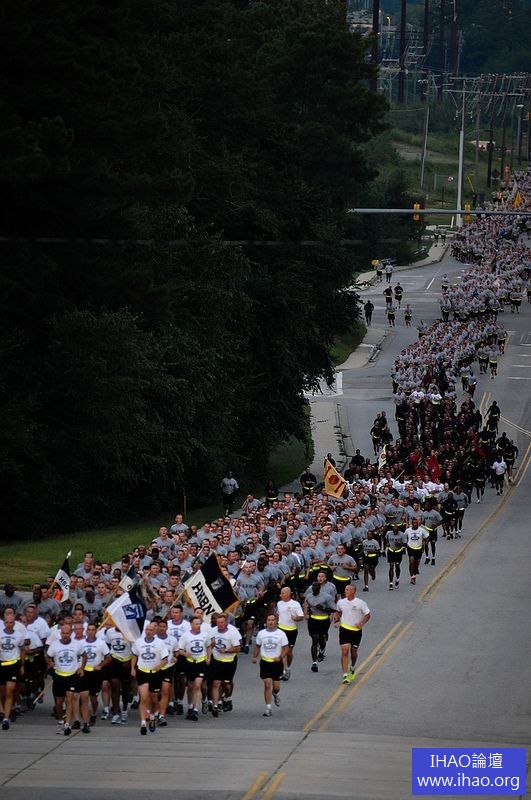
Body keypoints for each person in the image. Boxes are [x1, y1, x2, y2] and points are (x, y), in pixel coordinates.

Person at [46, 622, 87, 735]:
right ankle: (61, 721)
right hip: (59, 675)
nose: (65, 635)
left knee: (69, 699)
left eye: (67, 633)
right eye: (63, 633)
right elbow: (48, 656)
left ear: (71, 633)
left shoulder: (77, 645)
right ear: (60, 633)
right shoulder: (55, 645)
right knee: (59, 703)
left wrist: (81, 668)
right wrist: (50, 663)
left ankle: (67, 724)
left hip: (71, 675)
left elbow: (84, 655)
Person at [131, 621, 169, 735]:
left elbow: (165, 659)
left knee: (154, 698)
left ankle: (152, 716)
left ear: (155, 631)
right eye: (147, 630)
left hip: (155, 674)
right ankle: (143, 723)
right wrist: (132, 668)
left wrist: (159, 667)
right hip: (143, 672)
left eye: (151, 630)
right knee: (143, 697)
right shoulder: (138, 642)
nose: (149, 632)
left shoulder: (160, 643)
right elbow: (134, 655)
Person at [252, 614, 289, 717]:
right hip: (265, 662)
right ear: (266, 621)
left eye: (272, 620)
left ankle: (275, 693)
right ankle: (268, 708)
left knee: (276, 687)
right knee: (267, 684)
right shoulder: (261, 633)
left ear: (276, 621)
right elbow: (257, 646)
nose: (270, 622)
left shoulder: (281, 634)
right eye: (269, 620)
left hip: (277, 663)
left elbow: (286, 648)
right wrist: (254, 657)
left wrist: (280, 657)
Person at [334, 584, 370, 684]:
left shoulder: (360, 603)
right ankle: (345, 675)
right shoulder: (341, 602)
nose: (345, 591)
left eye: (347, 590)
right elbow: (338, 612)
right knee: (345, 651)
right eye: (345, 589)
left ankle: (353, 666)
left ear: (353, 591)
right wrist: (337, 621)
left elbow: (367, 615)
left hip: (356, 631)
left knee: (353, 652)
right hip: (344, 629)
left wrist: (361, 623)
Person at [178, 616, 212, 722]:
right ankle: (190, 707)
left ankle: (195, 709)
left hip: (201, 662)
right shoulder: (185, 636)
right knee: (190, 687)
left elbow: (209, 646)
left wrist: (209, 657)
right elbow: (180, 650)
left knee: (197, 685)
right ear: (191, 625)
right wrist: (185, 654)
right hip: (190, 663)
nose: (198, 626)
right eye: (196, 624)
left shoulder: (205, 635)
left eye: (199, 624)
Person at [78, 623, 111, 734]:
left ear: (96, 631)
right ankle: (85, 722)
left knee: (93, 698)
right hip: (84, 672)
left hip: (95, 673)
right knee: (84, 698)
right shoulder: (81, 643)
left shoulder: (101, 643)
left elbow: (108, 657)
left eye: (93, 630)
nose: (91, 631)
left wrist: (101, 665)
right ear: (86, 631)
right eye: (89, 630)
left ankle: (93, 713)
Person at [209, 613, 241, 716]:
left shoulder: (232, 632)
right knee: (216, 683)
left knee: (227, 684)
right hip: (217, 660)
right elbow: (208, 645)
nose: (220, 624)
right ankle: (215, 706)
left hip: (229, 661)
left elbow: (238, 648)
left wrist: (226, 650)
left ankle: (227, 698)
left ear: (226, 623)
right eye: (218, 622)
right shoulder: (212, 631)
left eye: (222, 622)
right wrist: (211, 645)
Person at [0, 608, 26, 730]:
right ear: (4, 622)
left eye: (11, 622)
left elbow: (22, 649)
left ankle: (6, 717)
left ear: (14, 623)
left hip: (13, 664)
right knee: (1, 691)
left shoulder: (19, 635)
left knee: (10, 690)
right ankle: (2, 711)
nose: (9, 624)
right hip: (1, 663)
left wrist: (22, 665)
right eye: (7, 622)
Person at [303, 580, 336, 672]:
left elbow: (333, 609)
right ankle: (314, 663)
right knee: (314, 639)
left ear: (319, 588)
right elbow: (307, 606)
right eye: (313, 587)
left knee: (322, 638)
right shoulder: (309, 596)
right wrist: (307, 612)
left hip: (324, 620)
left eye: (316, 587)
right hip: (313, 620)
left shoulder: (327, 597)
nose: (314, 589)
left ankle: (322, 649)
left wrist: (323, 608)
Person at [276, 587, 304, 680]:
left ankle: (288, 667)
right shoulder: (279, 603)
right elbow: (277, 614)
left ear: (288, 594)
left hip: (291, 630)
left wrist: (296, 618)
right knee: (282, 650)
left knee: (289, 652)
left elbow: (301, 616)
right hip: (281, 629)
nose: (281, 595)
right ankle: (283, 670)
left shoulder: (295, 604)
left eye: (283, 593)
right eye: (281, 593)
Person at [404, 518, 429, 585]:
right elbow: (404, 537)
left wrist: (425, 543)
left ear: (418, 523)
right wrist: (405, 545)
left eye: (416, 523)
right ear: (412, 523)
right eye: (414, 523)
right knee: (411, 562)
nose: (415, 524)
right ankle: (412, 577)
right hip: (411, 548)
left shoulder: (422, 530)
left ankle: (415, 571)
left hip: (419, 548)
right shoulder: (408, 530)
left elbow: (427, 537)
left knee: (416, 563)